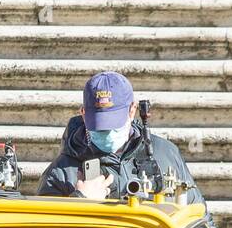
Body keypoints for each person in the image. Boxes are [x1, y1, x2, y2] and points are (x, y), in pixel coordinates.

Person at [38, 72, 202, 204]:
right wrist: (79, 202)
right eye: (98, 125)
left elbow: (200, 215)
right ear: (83, 113)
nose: (106, 132)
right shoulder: (61, 173)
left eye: (113, 124)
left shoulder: (165, 154)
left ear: (132, 111)